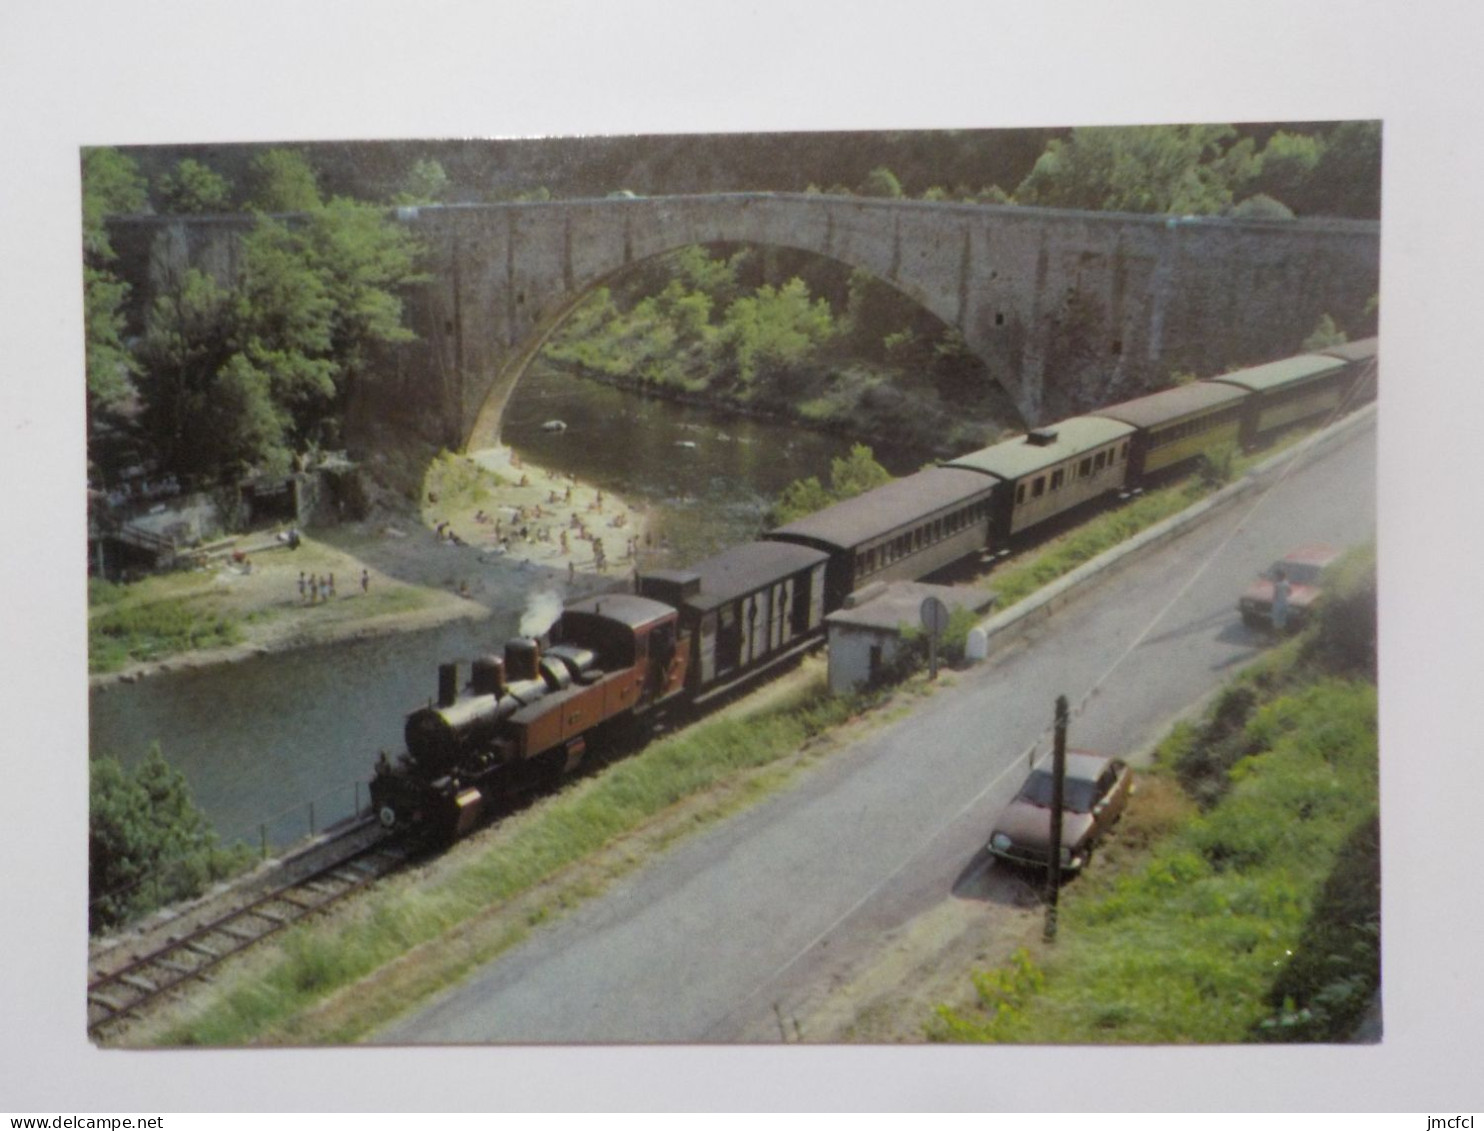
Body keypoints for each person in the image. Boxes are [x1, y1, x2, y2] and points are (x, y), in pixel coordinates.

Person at [1271, 567, 1291, 633]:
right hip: (1285, 602)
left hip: (1278, 603)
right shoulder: (1286, 583)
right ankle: (1282, 632)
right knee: (1282, 618)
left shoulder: (1277, 584)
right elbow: (1290, 592)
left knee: (1276, 618)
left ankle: (1276, 632)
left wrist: (1273, 600)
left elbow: (1275, 594)